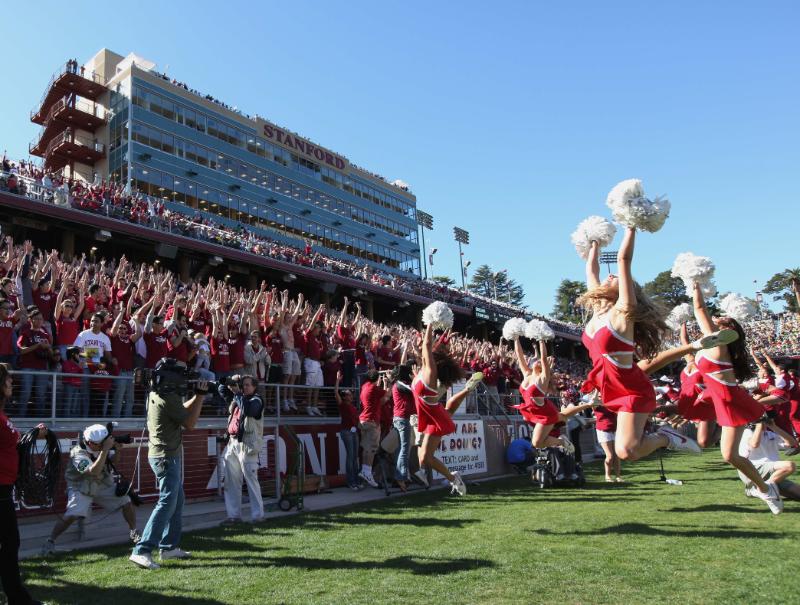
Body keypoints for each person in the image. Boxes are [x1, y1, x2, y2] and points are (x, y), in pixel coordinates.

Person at [578, 233, 701, 461]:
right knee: (625, 452)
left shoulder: (625, 313)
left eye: (616, 278)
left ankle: (666, 437)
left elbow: (624, 260)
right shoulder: (597, 308)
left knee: (626, 451)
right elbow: (591, 270)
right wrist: (595, 242)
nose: (610, 275)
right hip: (609, 388)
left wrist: (630, 224)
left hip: (632, 388)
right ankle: (664, 436)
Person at [691, 281, 784, 513]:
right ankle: (765, 489)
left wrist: (695, 285)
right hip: (725, 400)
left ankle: (764, 489)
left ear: (726, 332)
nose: (714, 321)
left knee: (729, 455)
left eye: (719, 321)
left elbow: (700, 310)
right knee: (730, 456)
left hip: (731, 402)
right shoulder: (711, 347)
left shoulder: (719, 345)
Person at [129, 361, 208, 569]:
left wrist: (197, 395)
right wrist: (200, 396)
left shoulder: (158, 393)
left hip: (162, 455)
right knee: (167, 502)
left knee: (177, 501)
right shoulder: (167, 396)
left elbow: (180, 410)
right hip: (166, 457)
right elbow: (190, 424)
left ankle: (169, 547)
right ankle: (142, 550)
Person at [42, 424, 140, 555]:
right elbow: (93, 471)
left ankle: (134, 532)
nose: (103, 445)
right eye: (100, 444)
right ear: (90, 443)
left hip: (100, 483)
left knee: (126, 501)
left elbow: (114, 462)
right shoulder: (78, 453)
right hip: (81, 486)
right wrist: (104, 450)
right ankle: (50, 541)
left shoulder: (101, 445)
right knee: (73, 514)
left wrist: (117, 450)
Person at [412, 326, 482, 496]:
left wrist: (429, 323)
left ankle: (453, 478)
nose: (421, 348)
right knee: (423, 458)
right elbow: (432, 348)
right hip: (430, 412)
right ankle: (467, 389)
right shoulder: (425, 371)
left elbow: (428, 345)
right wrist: (444, 338)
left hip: (434, 417)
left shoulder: (430, 373)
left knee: (426, 458)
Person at [0, 363, 43, 605]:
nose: (11, 384)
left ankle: (16, 596)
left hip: (5, 488)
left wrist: (32, 436)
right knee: (10, 543)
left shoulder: (2, 415)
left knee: (9, 543)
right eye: (7, 381)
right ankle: (17, 597)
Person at [512, 336, 596, 452]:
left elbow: (544, 359)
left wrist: (541, 340)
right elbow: (519, 355)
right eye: (535, 361)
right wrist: (515, 338)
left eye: (539, 361)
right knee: (562, 416)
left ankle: (561, 441)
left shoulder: (542, 379)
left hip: (546, 414)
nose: (535, 361)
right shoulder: (527, 373)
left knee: (536, 443)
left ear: (542, 367)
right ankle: (588, 404)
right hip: (537, 410)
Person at [219, 375, 265, 524]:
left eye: (247, 385)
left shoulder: (256, 400)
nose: (244, 387)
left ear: (254, 387)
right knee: (231, 483)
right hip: (232, 443)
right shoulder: (238, 399)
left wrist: (238, 393)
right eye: (242, 385)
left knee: (251, 481)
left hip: (248, 445)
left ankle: (258, 517)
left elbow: (249, 410)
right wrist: (230, 381)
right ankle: (234, 516)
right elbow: (221, 389)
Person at [739, 417, 800, 501]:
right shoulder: (747, 432)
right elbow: (754, 444)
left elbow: (792, 443)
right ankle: (761, 489)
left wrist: (774, 427)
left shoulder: (769, 434)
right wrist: (759, 425)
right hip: (753, 470)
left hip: (773, 474)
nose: (764, 422)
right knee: (790, 466)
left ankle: (765, 488)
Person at [357, 370, 390, 487]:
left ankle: (365, 471)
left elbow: (381, 401)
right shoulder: (374, 388)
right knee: (372, 448)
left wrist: (382, 384)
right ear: (377, 379)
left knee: (366, 448)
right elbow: (387, 396)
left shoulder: (365, 386)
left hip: (364, 420)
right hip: (371, 422)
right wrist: (388, 382)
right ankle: (367, 471)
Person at [391, 363, 416, 491]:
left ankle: (398, 476)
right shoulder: (400, 384)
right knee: (404, 449)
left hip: (400, 418)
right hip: (402, 419)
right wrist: (416, 377)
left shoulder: (399, 384)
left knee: (400, 448)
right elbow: (414, 390)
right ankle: (401, 477)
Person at [334, 371, 360, 490]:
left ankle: (356, 480)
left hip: (354, 432)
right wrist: (337, 381)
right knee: (350, 457)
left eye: (351, 394)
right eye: (349, 394)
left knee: (355, 457)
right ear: (344, 396)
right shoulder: (342, 405)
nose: (351, 396)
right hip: (347, 432)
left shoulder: (353, 407)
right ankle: (351, 482)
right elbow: (336, 393)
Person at [594, 404, 621, 482]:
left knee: (616, 455)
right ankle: (607, 476)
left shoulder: (611, 402)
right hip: (603, 430)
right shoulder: (596, 404)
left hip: (614, 429)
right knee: (610, 456)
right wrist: (596, 392)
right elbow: (593, 402)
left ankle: (618, 476)